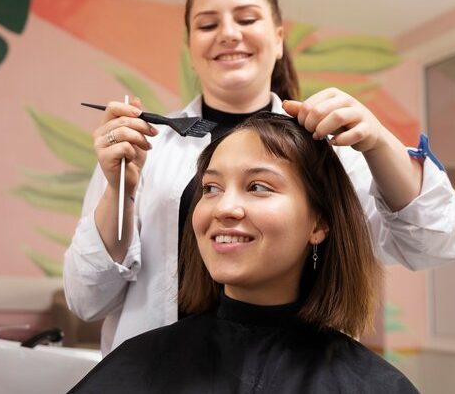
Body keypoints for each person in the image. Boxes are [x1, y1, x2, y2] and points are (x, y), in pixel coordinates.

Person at [64, 0, 455, 354]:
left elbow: (436, 243)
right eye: (207, 25)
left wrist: (378, 141)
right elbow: (86, 301)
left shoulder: (326, 147)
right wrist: (118, 190)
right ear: (191, 49)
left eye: (246, 19)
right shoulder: (142, 151)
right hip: (161, 375)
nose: (228, 34)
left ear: (278, 39)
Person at [69, 113, 420, 393]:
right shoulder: (138, 365)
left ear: (319, 223)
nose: (224, 207)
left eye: (257, 186)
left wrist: (379, 141)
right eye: (211, 188)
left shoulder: (373, 385)